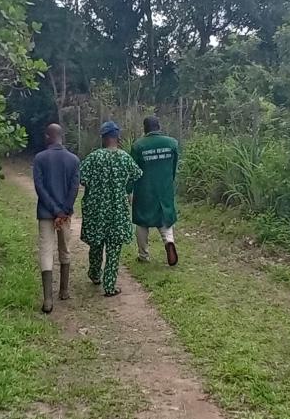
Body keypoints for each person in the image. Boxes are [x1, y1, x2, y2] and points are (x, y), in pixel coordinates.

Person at [79, 121, 142, 296]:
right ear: (117, 138)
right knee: (114, 247)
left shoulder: (94, 157)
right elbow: (137, 175)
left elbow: (81, 178)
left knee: (96, 243)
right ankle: (109, 285)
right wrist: (124, 187)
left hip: (96, 209)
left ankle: (94, 273)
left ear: (103, 138)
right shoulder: (124, 157)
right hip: (117, 209)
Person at [32, 123, 79, 313]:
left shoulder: (40, 158)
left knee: (46, 250)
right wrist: (63, 211)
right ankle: (64, 290)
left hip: (45, 213)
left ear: (47, 137)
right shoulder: (73, 160)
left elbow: (39, 187)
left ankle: (48, 300)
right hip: (65, 215)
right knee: (64, 249)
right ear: (62, 137)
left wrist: (53, 209)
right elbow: (74, 188)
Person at [131, 116, 181, 266]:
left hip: (144, 190)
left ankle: (143, 255)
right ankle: (169, 241)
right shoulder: (172, 143)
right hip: (164, 188)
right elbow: (173, 168)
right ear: (159, 126)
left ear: (145, 128)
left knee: (141, 222)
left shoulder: (138, 146)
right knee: (165, 217)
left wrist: (129, 190)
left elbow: (132, 171)